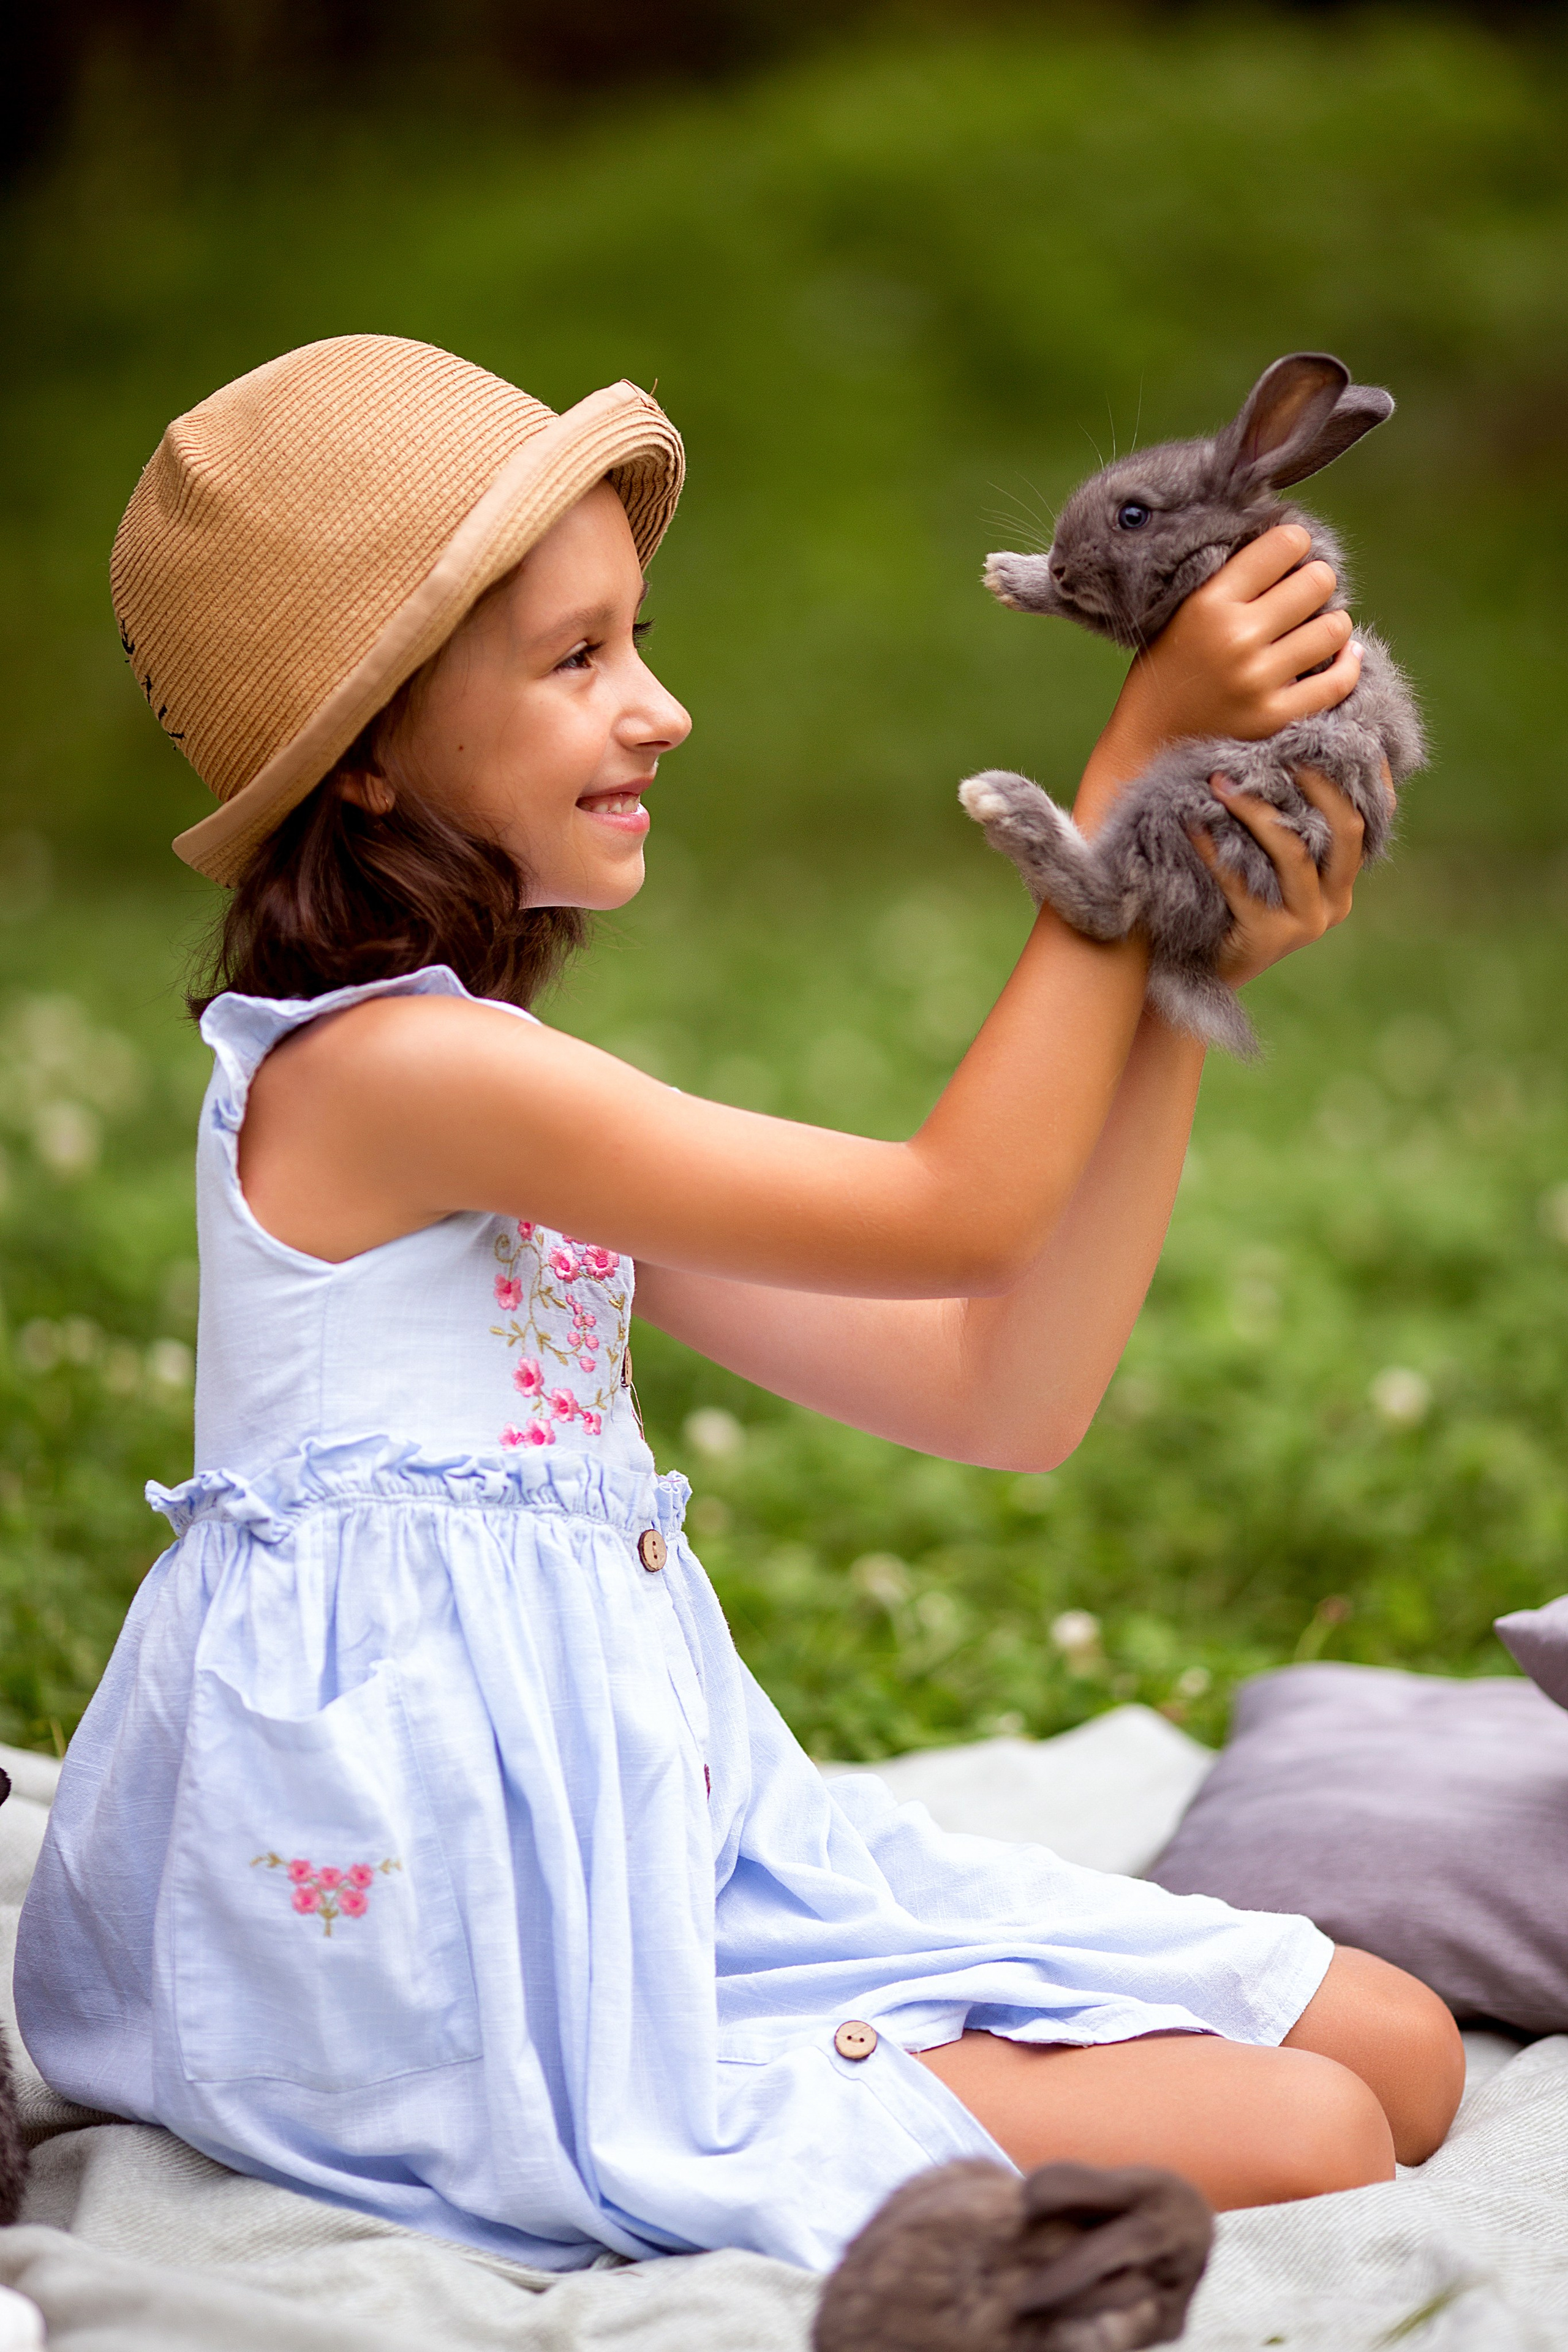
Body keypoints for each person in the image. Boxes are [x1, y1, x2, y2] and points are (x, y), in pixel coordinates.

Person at [15, 336, 1461, 2275]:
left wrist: (1181, 971)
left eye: (640, 641)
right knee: (1319, 2128)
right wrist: (1121, 803)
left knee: (1406, 2052)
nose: (663, 708)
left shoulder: (497, 1101)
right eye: (578, 659)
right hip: (429, 1942)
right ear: (364, 747)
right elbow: (958, 1210)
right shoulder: (388, 1083)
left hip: (641, 1853)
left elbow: (999, 1387)